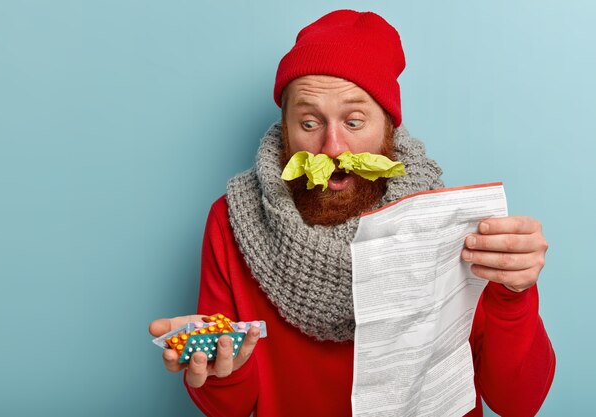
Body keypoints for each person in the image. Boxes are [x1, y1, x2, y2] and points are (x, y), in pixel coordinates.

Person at [149, 9, 555, 417]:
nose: (333, 148)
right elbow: (230, 407)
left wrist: (513, 295)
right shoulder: (233, 221)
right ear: (285, 130)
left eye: (355, 121)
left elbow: (517, 402)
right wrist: (224, 369)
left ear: (388, 129)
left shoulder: (447, 226)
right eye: (308, 123)